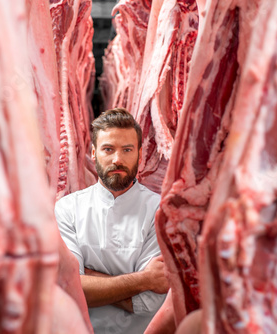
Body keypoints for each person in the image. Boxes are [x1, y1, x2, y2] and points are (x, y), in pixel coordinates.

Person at [55, 108, 169, 333]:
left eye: (127, 149)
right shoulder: (67, 208)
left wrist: (86, 277)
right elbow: (66, 288)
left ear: (139, 153)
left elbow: (148, 303)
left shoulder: (159, 210)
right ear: (94, 153)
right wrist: (143, 279)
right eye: (108, 149)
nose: (118, 159)